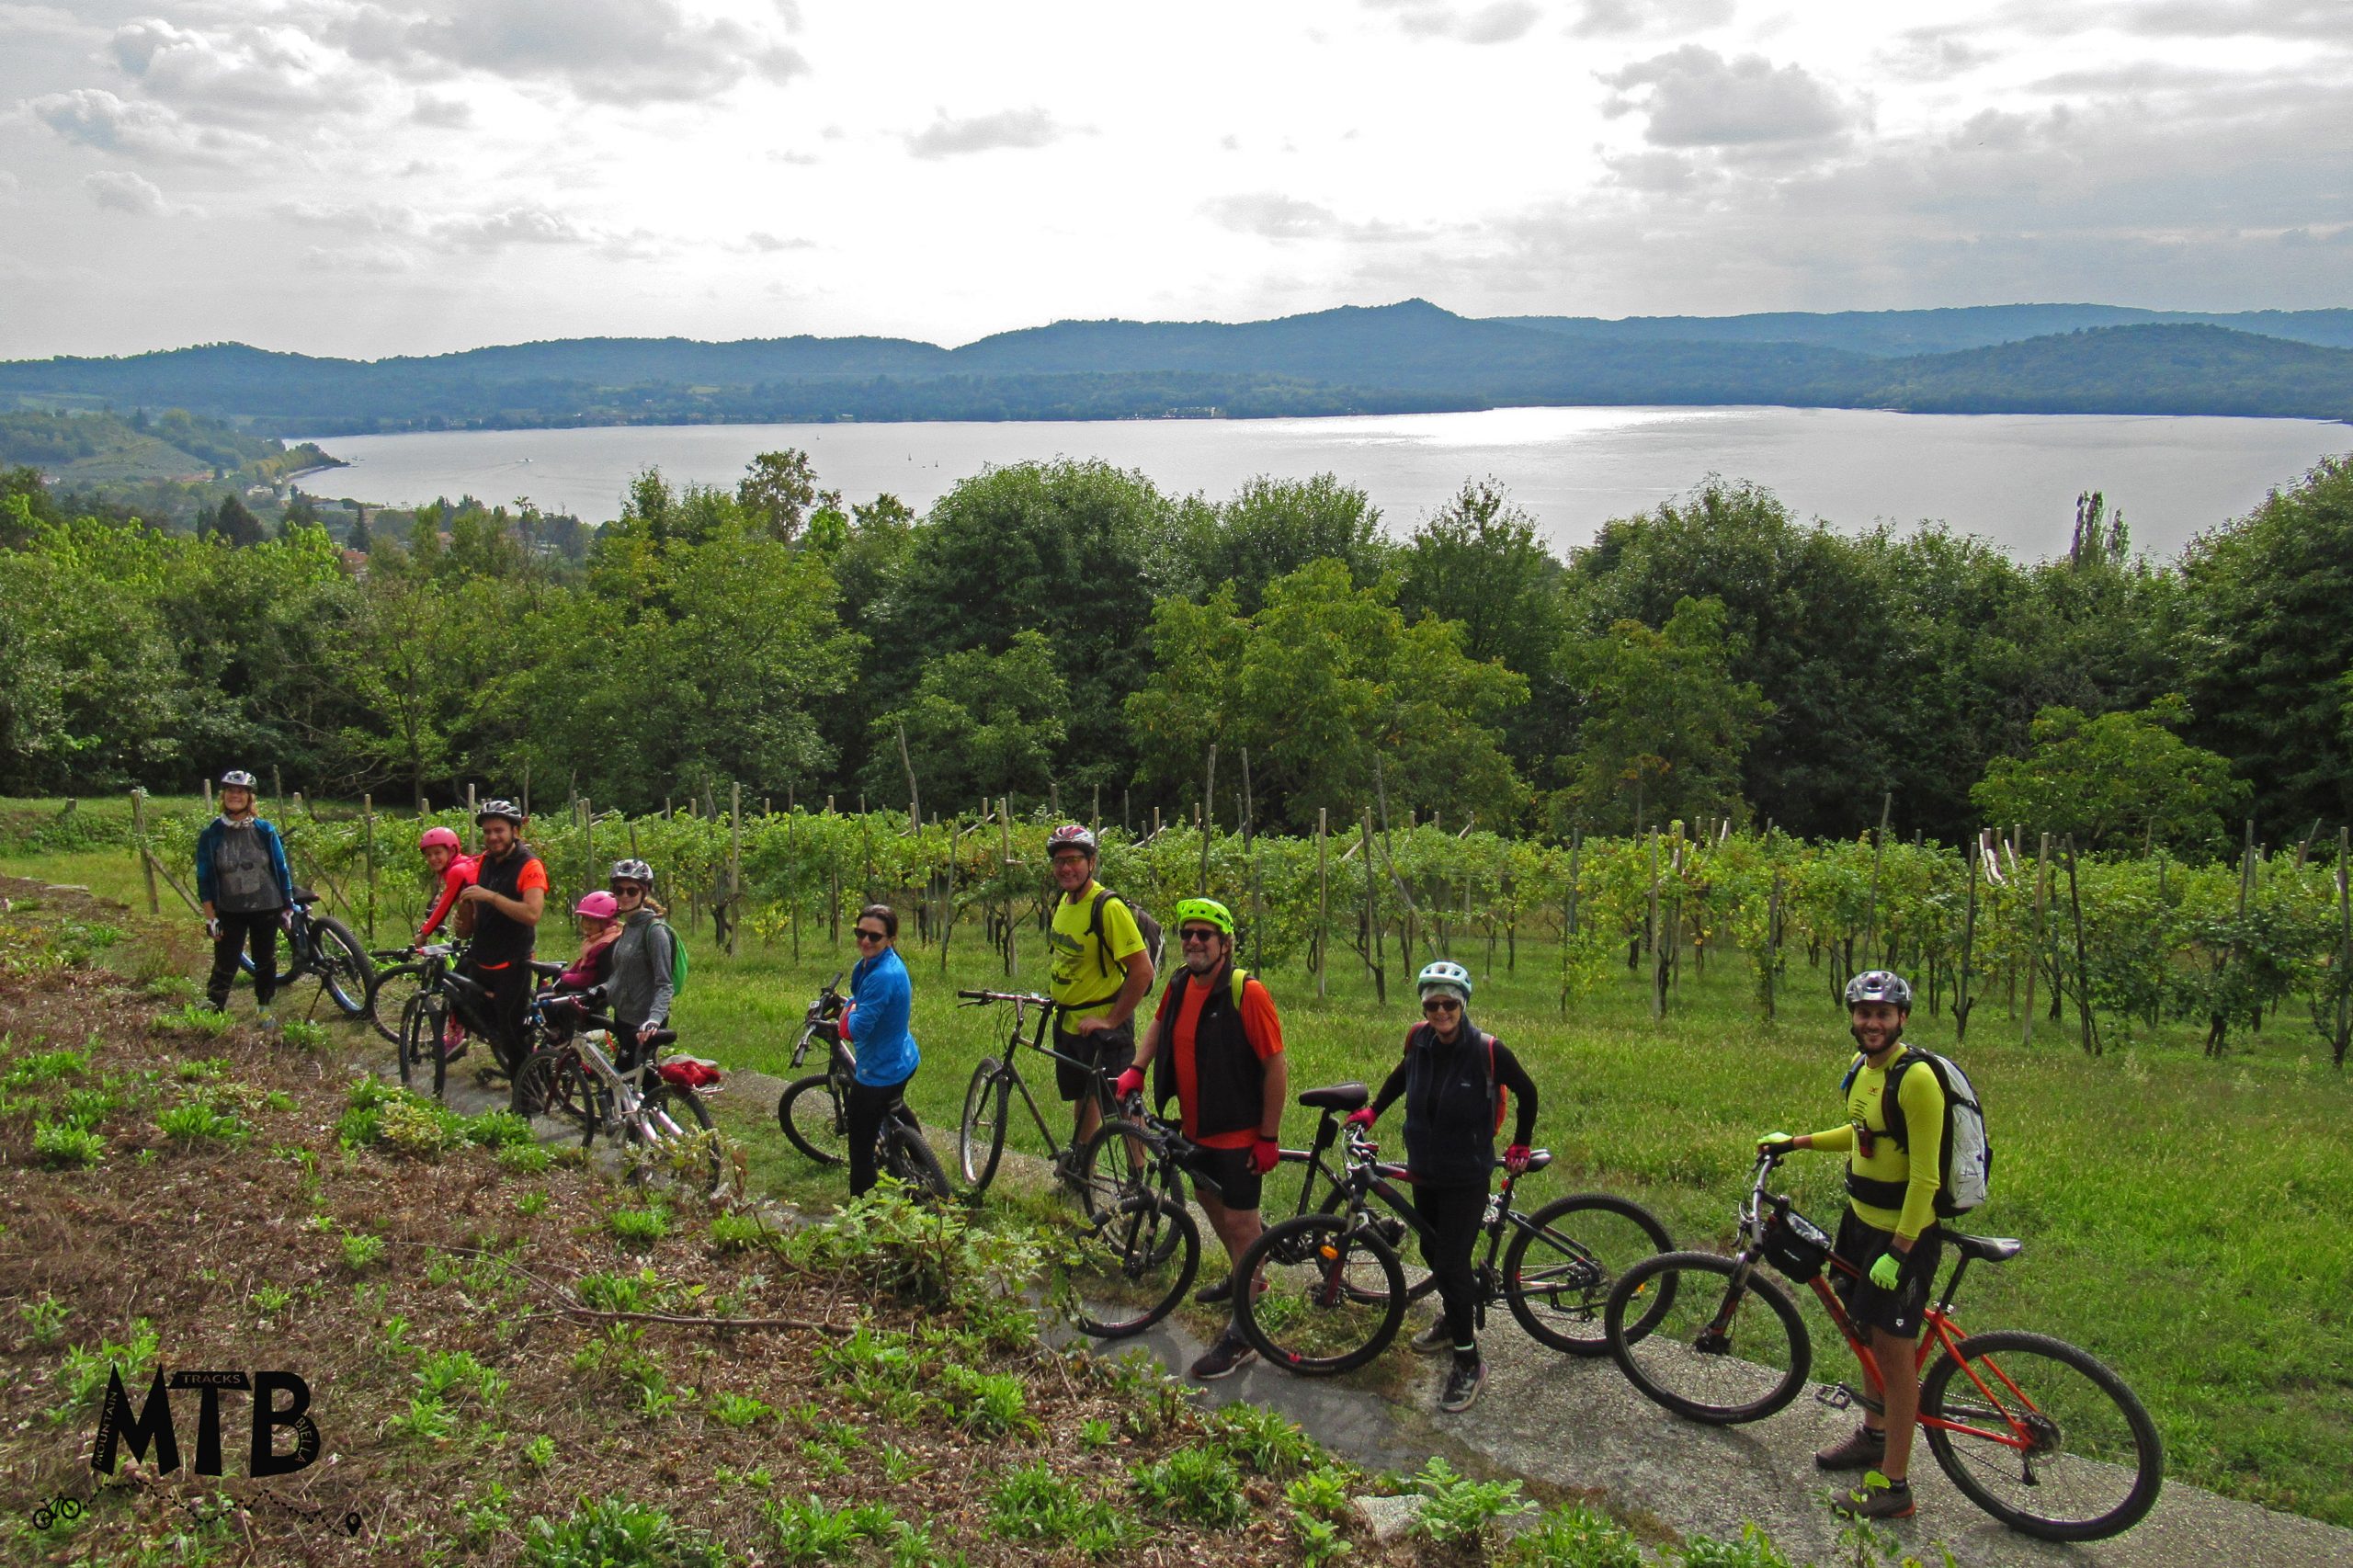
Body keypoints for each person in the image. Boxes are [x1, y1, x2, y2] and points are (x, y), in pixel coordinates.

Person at [1757, 970, 1945, 1523]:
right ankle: (1873, 1432)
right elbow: (1861, 1134)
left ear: (1902, 1019)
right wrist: (1796, 1141)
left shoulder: (1917, 1080)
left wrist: (1901, 1248)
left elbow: (1926, 1179)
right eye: (1864, 1013)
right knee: (1863, 1331)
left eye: (1883, 1014)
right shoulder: (1866, 1070)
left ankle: (1894, 1486)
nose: (1872, 1023)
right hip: (1860, 1222)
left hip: (1901, 1233)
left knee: (1894, 1354)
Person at [1347, 960, 1538, 1413]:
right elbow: (1401, 1075)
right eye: (1432, 1004)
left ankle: (1469, 1361)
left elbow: (1527, 1092)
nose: (1440, 1012)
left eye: (1449, 1004)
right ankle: (1456, 1319)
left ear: (1463, 1004)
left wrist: (1521, 1144)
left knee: (1451, 1263)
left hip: (1466, 1174)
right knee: (1434, 1253)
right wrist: (1374, 1111)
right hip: (1425, 1167)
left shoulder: (1488, 1050)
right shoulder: (1419, 1039)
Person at [1114, 897, 1288, 1381]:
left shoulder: (1246, 993)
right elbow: (1156, 1024)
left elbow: (1275, 1067)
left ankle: (1243, 1333)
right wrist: (1135, 1069)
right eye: (1188, 933)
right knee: (1209, 1201)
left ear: (1225, 944)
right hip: (1196, 1127)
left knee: (1240, 1223)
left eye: (1204, 935)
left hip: (1238, 1131)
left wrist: (1268, 1137)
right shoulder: (1179, 982)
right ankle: (1246, 1278)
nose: (1193, 941)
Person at [1043, 824, 1154, 1166]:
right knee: (1083, 1096)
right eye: (1059, 861)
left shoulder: (1107, 907)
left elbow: (1142, 971)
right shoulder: (1064, 901)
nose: (1066, 868)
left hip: (1105, 1029)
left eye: (1074, 859)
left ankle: (1139, 1181)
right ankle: (1081, 1171)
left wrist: (1111, 1019)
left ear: (1091, 862)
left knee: (1124, 1103)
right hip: (1070, 1022)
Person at [193, 769, 293, 1027]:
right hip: (229, 908)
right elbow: (204, 876)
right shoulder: (212, 834)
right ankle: (215, 1008)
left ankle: (264, 1008)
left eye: (241, 792)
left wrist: (287, 905)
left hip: (266, 906)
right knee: (225, 961)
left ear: (250, 798)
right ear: (223, 796)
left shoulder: (264, 830)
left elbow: (280, 868)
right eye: (230, 791)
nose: (235, 796)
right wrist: (210, 917)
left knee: (265, 959)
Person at [453, 800, 545, 1074]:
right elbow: (471, 915)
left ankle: (527, 1100)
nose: (492, 837)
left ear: (515, 831)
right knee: (457, 998)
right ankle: (498, 1043)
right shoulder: (484, 862)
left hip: (512, 962)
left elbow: (532, 914)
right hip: (482, 956)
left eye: (499, 830)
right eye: (487, 832)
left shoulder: (530, 866)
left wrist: (490, 897)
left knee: (512, 1035)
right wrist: (465, 914)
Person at [842, 903, 921, 1199]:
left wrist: (846, 1013)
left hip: (878, 1072)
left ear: (890, 939)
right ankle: (922, 1158)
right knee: (895, 1105)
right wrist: (854, 1004)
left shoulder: (882, 975)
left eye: (874, 937)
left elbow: (855, 1029)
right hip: (904, 1057)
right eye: (860, 933)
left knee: (860, 1146)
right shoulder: (874, 965)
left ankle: (862, 1206)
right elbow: (859, 996)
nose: (865, 941)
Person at [601, 858, 676, 1069]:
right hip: (623, 1017)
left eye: (632, 891)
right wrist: (601, 990)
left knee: (623, 1085)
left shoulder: (655, 932)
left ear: (644, 892)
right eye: (619, 890)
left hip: (643, 1024)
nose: (624, 896)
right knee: (638, 1085)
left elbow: (665, 984)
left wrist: (654, 1020)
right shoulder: (628, 927)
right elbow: (624, 973)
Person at [414, 825, 479, 945]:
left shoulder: (457, 870)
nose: (432, 858)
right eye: (428, 855)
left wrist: (424, 934)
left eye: (437, 853)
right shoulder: (463, 864)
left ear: (451, 851)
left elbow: (445, 905)